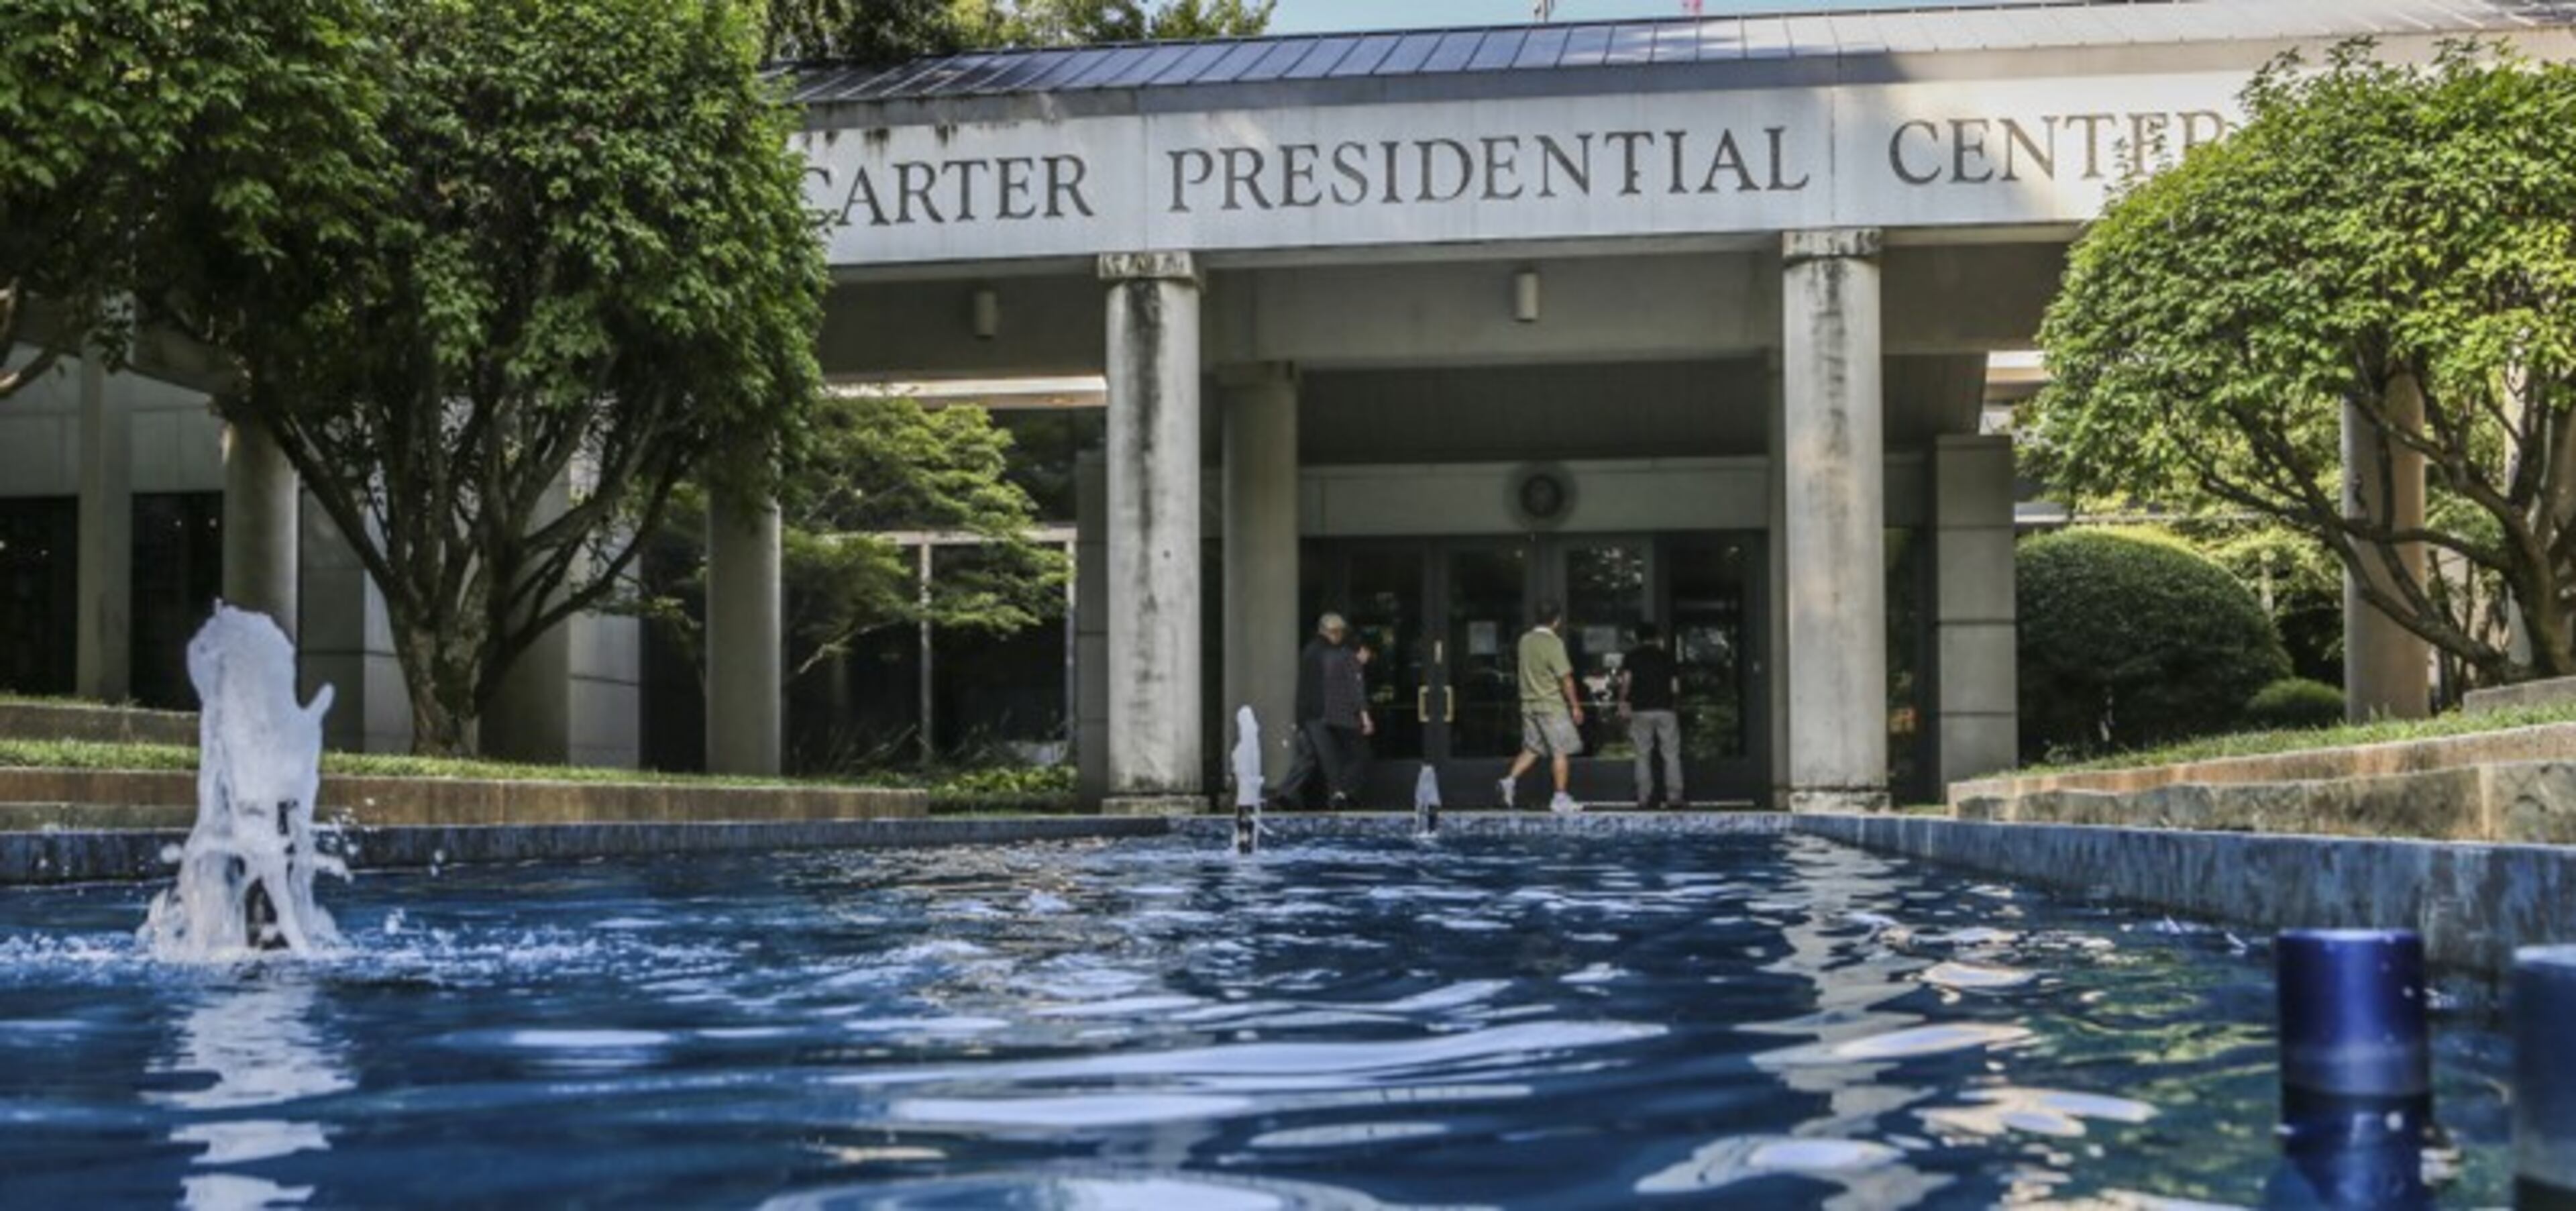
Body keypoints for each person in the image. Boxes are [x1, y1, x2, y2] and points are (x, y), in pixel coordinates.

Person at [1271, 613, 1366, 809]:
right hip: (1319, 714)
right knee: (1331, 756)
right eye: (1335, 632)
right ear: (1324, 631)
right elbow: (1338, 674)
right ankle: (1338, 796)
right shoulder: (1324, 652)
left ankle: (1285, 794)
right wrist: (1357, 662)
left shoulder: (1313, 650)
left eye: (1341, 632)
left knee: (1309, 756)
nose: (1338, 636)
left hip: (1310, 713)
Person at [1499, 602, 1583, 813]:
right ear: (1557, 620)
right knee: (1560, 751)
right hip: (1551, 705)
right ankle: (1560, 798)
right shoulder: (1553, 643)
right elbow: (1566, 679)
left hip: (1529, 705)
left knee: (1533, 748)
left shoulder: (1524, 641)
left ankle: (1509, 781)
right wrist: (1575, 706)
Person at [1617, 623, 1683, 809]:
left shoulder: (1632, 657)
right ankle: (1674, 797)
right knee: (1671, 755)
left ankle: (1643, 798)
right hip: (1665, 709)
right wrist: (1675, 705)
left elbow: (1626, 683)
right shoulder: (1667, 657)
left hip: (1641, 710)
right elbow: (1675, 686)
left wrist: (1622, 702)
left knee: (1642, 754)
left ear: (1638, 638)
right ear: (1656, 637)